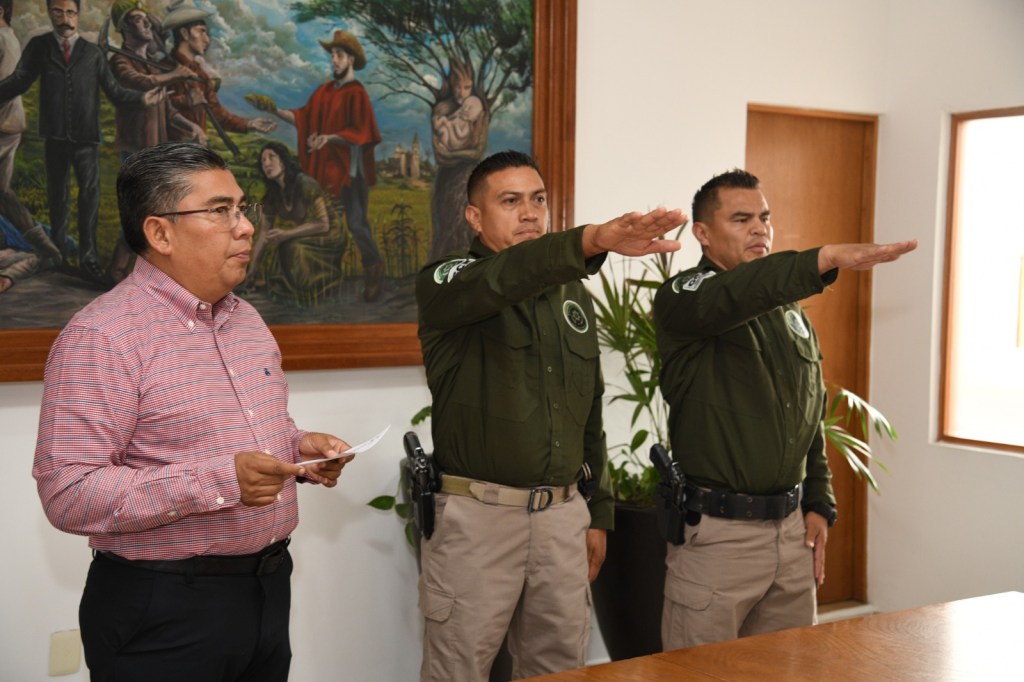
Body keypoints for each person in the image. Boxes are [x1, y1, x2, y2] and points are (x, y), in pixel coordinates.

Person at [32, 142, 356, 680]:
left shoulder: (247, 319)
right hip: (164, 608)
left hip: (267, 589)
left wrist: (297, 448)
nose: (245, 226)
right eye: (220, 210)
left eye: (242, 208)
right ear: (160, 233)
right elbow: (67, 491)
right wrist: (222, 482)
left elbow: (228, 433)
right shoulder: (102, 336)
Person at [415, 149, 687, 680]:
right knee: (458, 669)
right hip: (478, 520)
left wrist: (598, 512)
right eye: (510, 201)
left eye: (538, 200)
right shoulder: (448, 281)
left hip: (563, 519)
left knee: (560, 667)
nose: (530, 213)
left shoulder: (570, 295)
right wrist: (593, 240)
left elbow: (588, 412)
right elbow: (504, 279)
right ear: (474, 217)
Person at [653, 169, 917, 650]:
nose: (760, 229)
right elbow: (735, 294)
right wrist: (826, 258)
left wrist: (818, 502)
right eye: (741, 218)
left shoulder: (788, 309)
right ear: (703, 233)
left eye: (765, 217)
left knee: (791, 670)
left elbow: (807, 414)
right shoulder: (684, 298)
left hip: (790, 537)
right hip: (718, 539)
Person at [0, 0, 161, 283]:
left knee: (89, 197)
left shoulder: (93, 52)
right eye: (58, 13)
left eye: (71, 13)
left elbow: (114, 91)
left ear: (78, 15)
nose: (65, 19)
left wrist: (141, 98)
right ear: (51, 14)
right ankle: (59, 253)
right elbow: (19, 81)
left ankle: (88, 259)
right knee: (57, 196)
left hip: (87, 138)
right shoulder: (39, 46)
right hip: (55, 137)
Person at [261, 29, 385, 302]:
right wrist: (274, 110)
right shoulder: (324, 91)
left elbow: (361, 132)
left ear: (351, 59)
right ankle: (326, 277)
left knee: (356, 224)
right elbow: (304, 118)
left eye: (339, 55)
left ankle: (373, 271)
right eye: (332, 56)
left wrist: (329, 138)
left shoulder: (357, 92)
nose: (334, 61)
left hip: (351, 174)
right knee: (326, 226)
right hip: (327, 174)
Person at [105, 0, 205, 283]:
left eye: (147, 19)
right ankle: (116, 270)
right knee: (143, 214)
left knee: (157, 214)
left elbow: (168, 111)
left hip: (155, 152)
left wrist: (191, 127)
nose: (147, 23)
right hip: (136, 152)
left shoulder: (150, 61)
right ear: (124, 26)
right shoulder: (119, 61)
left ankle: (141, 272)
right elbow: (138, 81)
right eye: (139, 19)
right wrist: (174, 74)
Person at [244, 141, 348, 307]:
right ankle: (299, 290)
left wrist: (286, 234)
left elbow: (323, 224)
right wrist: (252, 271)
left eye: (271, 157)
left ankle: (318, 286)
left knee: (291, 247)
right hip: (307, 230)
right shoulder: (272, 195)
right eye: (263, 161)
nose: (267, 164)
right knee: (286, 247)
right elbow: (264, 233)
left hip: (330, 233)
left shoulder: (304, 183)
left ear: (284, 161)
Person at [0, 0, 62, 270]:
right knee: (2, 192)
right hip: (7, 123)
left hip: (2, 124)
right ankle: (45, 248)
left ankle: (46, 249)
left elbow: (8, 86)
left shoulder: (3, 39)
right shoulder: (7, 38)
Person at [160, 0, 276, 144]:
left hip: (196, 150)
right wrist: (186, 101)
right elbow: (160, 107)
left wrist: (249, 124)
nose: (207, 40)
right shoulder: (163, 69)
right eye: (201, 31)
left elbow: (219, 115)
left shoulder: (200, 74)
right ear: (184, 33)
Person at [427, 57, 488, 262]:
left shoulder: (478, 112)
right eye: (457, 86)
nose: (461, 92)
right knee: (445, 223)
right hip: (447, 176)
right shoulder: (442, 110)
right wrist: (457, 154)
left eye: (467, 87)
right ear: (451, 86)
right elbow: (440, 154)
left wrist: (453, 154)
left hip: (468, 178)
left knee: (466, 226)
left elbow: (477, 152)